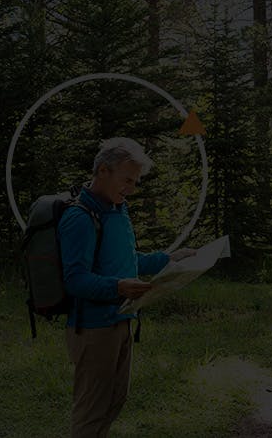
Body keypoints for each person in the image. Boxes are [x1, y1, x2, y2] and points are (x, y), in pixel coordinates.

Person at [58, 137, 196, 438]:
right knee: (91, 411)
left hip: (122, 320)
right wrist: (118, 287)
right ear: (103, 171)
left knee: (113, 402)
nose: (130, 189)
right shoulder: (79, 217)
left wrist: (169, 259)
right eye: (126, 180)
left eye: (135, 182)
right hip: (93, 329)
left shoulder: (117, 210)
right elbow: (75, 279)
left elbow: (126, 260)